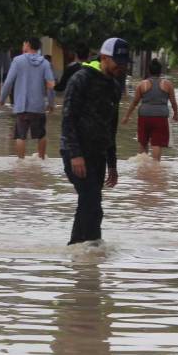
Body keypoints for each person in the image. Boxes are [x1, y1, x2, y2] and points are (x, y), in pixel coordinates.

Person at [60, 37, 131, 245]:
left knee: (90, 202)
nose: (122, 67)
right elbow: (68, 118)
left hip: (98, 153)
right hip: (76, 152)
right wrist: (75, 155)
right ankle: (87, 248)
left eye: (125, 63)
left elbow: (111, 126)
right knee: (92, 201)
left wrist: (112, 164)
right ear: (105, 58)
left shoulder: (115, 86)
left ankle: (83, 250)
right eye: (118, 62)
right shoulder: (81, 79)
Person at [0, 37, 56, 159]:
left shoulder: (17, 61)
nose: (22, 46)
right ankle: (42, 161)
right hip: (39, 107)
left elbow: (8, 82)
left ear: (28, 45)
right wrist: (51, 103)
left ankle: (21, 163)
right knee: (41, 135)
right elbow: (50, 85)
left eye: (23, 43)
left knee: (20, 136)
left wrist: (2, 99)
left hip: (22, 106)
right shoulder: (45, 63)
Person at [121, 59, 178, 161]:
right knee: (157, 143)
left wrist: (127, 116)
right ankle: (155, 167)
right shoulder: (167, 84)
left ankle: (142, 166)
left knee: (143, 142)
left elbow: (134, 102)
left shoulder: (142, 84)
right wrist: (176, 114)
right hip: (160, 117)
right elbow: (173, 102)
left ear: (149, 71)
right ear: (160, 71)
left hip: (144, 117)